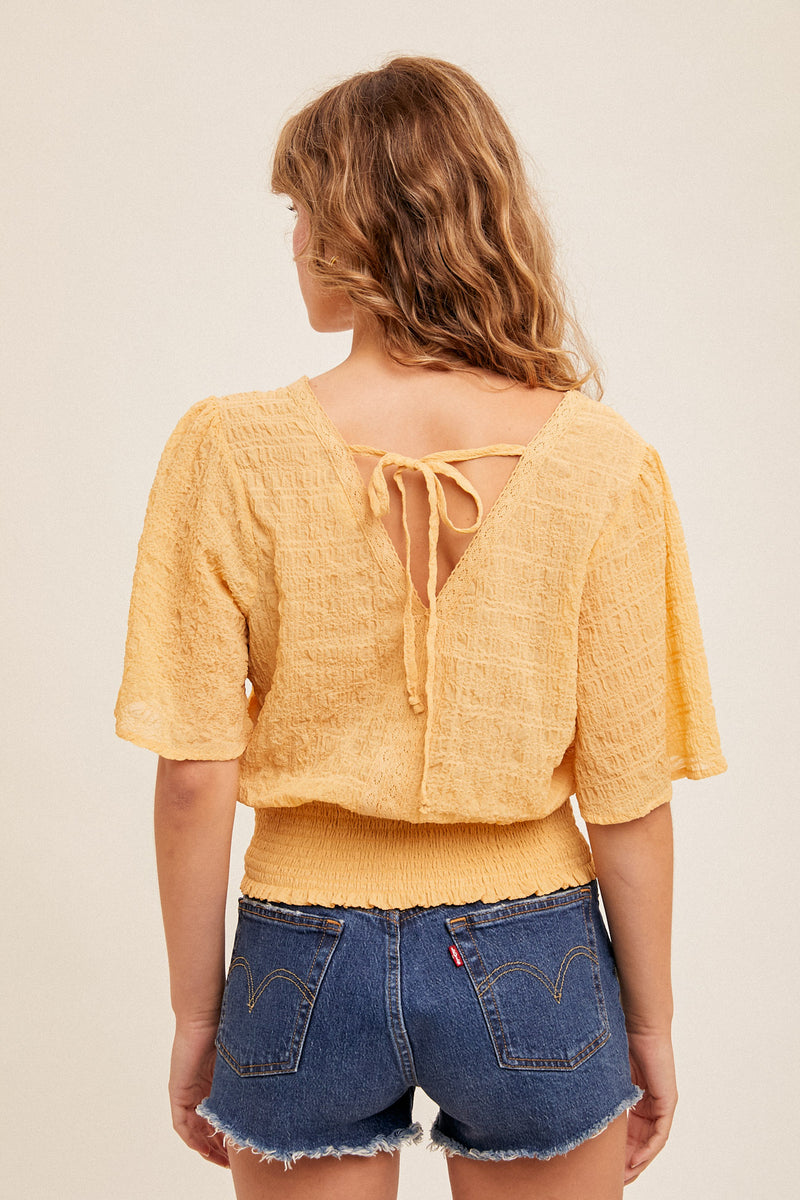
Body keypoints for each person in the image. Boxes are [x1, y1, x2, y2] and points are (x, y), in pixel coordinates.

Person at [115, 55, 727, 1200]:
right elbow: (627, 792)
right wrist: (648, 1027)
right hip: (537, 953)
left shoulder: (229, 451)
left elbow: (194, 776)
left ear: (356, 227)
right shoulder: (602, 465)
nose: (293, 241)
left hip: (299, 957)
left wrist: (198, 1016)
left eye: (302, 210)